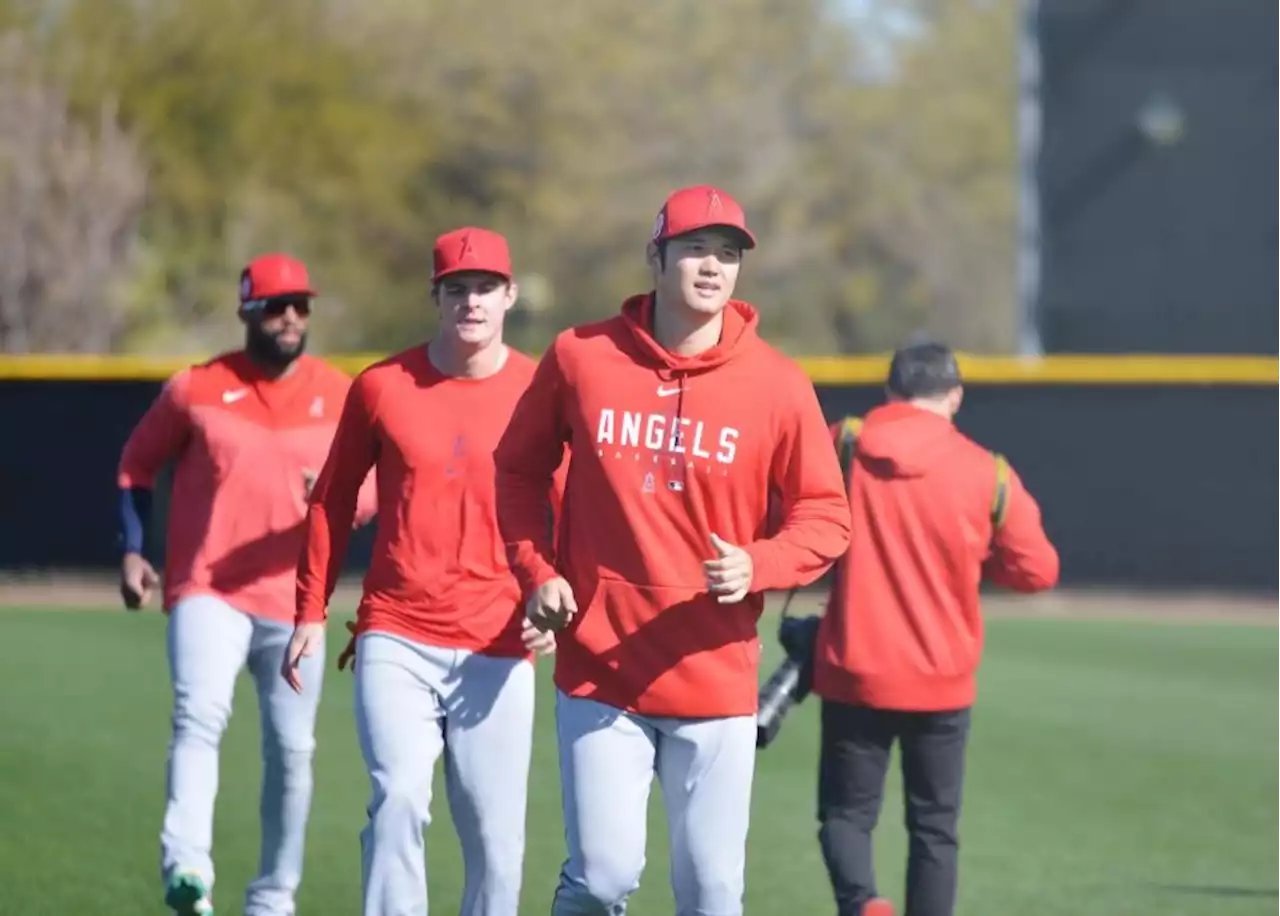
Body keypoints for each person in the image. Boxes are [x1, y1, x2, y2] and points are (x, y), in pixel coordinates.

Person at [493, 184, 854, 915]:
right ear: (656, 257)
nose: (713, 267)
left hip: (714, 675)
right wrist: (536, 571)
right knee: (601, 878)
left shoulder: (779, 385)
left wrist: (762, 562)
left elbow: (826, 516)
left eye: (728, 254)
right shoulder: (580, 356)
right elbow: (516, 471)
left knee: (713, 893)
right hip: (602, 668)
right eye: (694, 249)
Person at [284, 226, 563, 916]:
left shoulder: (541, 391)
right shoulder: (382, 385)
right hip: (397, 632)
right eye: (457, 289)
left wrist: (559, 603)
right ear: (436, 297)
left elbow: (577, 510)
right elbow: (333, 497)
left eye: (486, 289)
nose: (472, 302)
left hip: (500, 642)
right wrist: (309, 613)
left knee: (498, 847)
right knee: (400, 796)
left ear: (510, 297)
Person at [117, 252, 378, 916]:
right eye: (273, 306)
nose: (289, 317)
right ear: (246, 313)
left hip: (300, 604)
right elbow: (136, 466)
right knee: (198, 719)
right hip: (209, 588)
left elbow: (376, 491)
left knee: (292, 750)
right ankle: (188, 870)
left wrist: (343, 495)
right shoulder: (196, 388)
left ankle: (273, 896)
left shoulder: (341, 392)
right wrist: (133, 549)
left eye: (299, 306)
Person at [810, 341, 1061, 916]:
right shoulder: (986, 468)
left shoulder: (846, 441)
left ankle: (863, 904)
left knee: (846, 816)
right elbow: (1038, 570)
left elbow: (797, 514)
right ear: (955, 396)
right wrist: (977, 560)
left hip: (856, 670)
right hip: (943, 680)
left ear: (890, 391)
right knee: (934, 829)